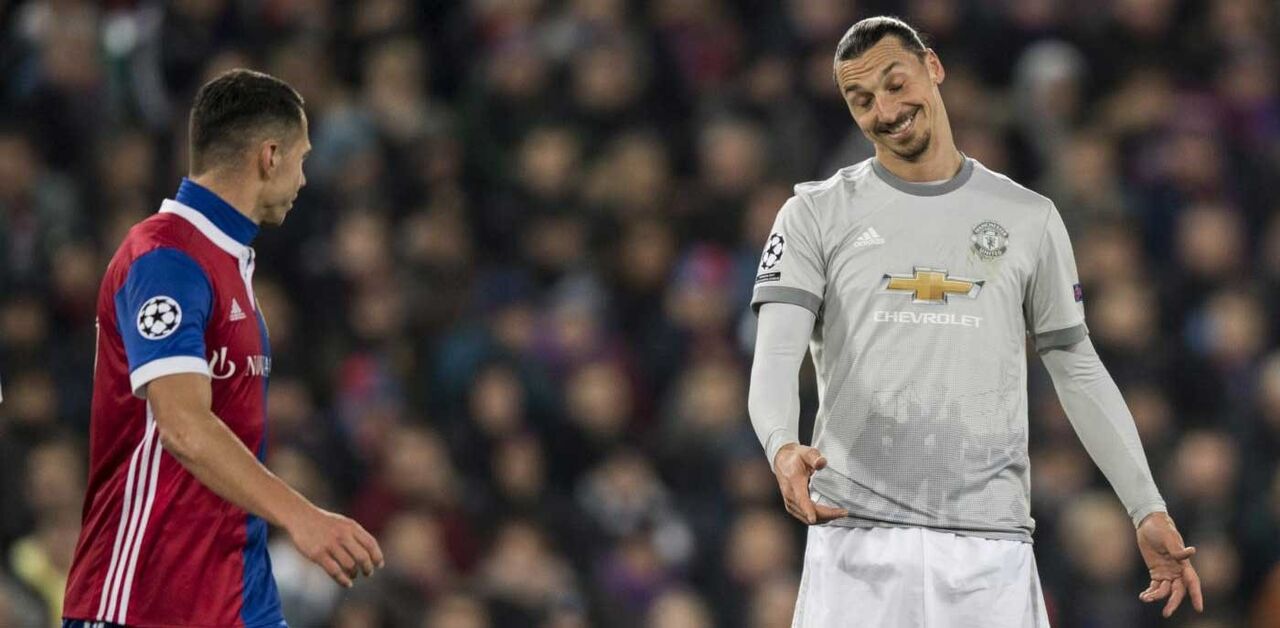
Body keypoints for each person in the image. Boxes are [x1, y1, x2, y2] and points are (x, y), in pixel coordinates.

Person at [747, 17, 1203, 627]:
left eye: (895, 84)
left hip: (989, 550)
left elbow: (1078, 369)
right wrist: (782, 447)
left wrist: (1146, 506)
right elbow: (776, 357)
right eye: (862, 100)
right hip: (856, 541)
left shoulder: (1028, 218)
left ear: (933, 67)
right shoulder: (813, 215)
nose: (886, 110)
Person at [61, 69, 383, 628]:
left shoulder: (228, 261)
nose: (304, 179)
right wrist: (302, 517)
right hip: (144, 600)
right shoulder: (164, 258)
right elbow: (183, 426)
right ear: (270, 156)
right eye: (302, 159)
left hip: (238, 596)